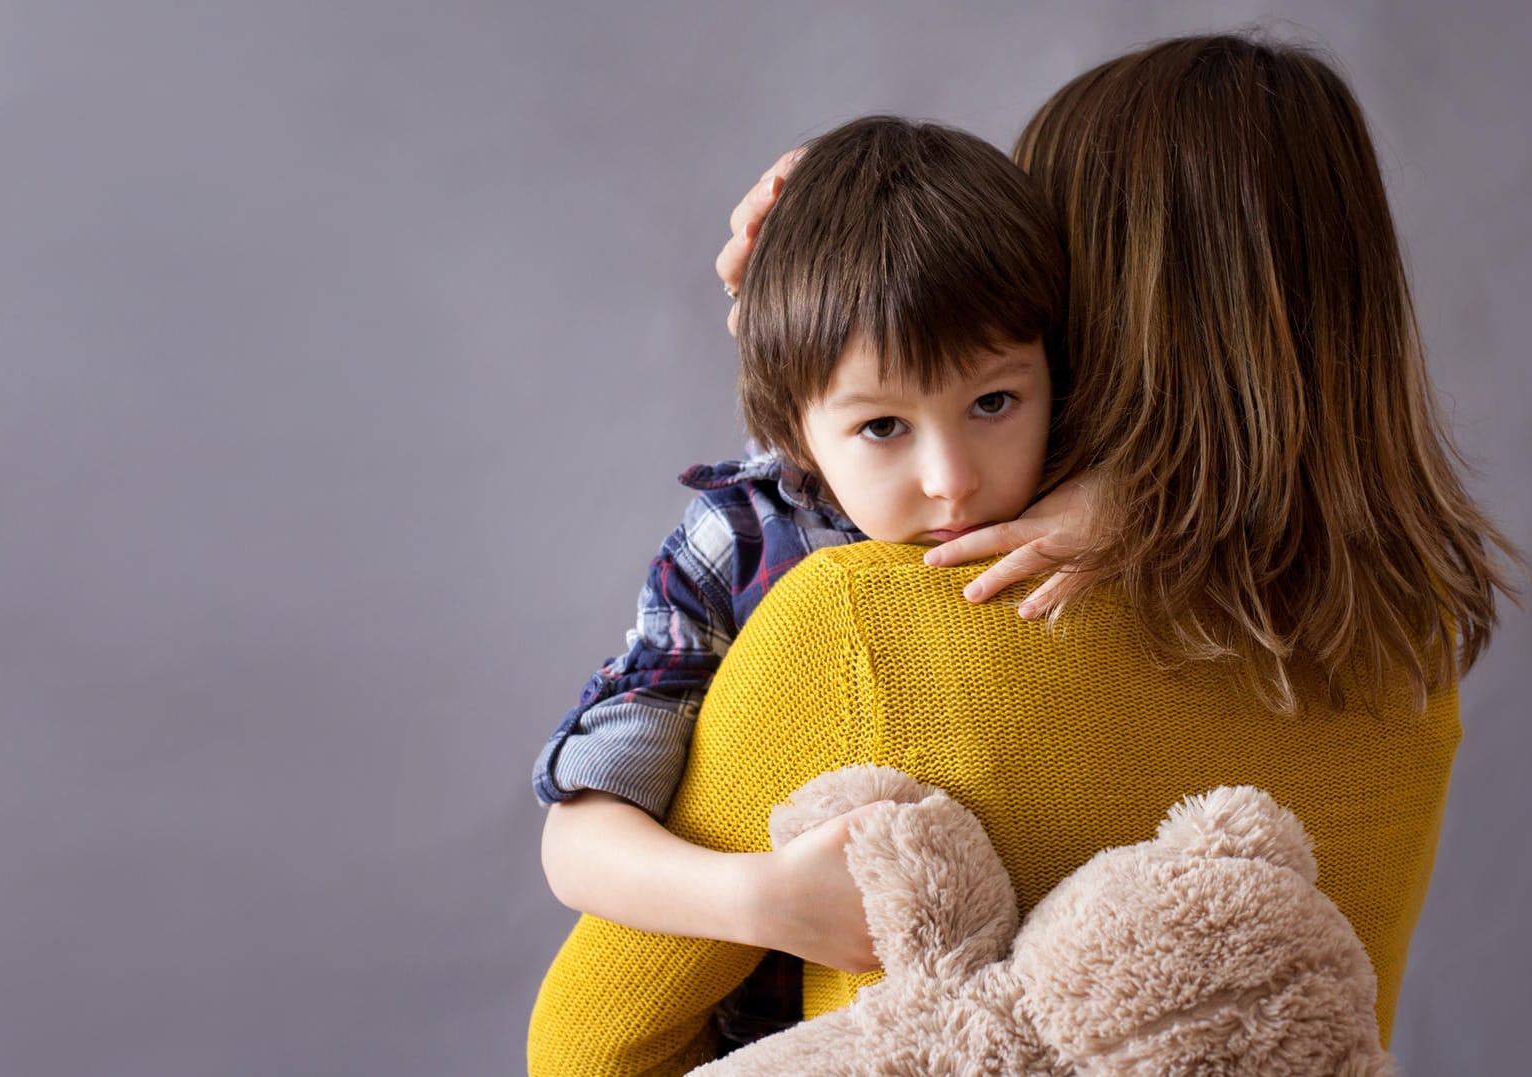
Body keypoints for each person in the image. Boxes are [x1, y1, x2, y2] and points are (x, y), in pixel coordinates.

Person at [527, 33, 1521, 1077]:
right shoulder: (1407, 654)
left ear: (1079, 299)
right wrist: (830, 255)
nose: (949, 475)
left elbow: (588, 1047)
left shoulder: (868, 625)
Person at [532, 115, 1067, 1043]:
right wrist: (764, 900)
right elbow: (578, 839)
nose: (951, 478)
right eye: (882, 427)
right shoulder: (744, 545)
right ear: (793, 425)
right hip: (786, 1038)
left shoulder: (1073, 495)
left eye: (992, 402)